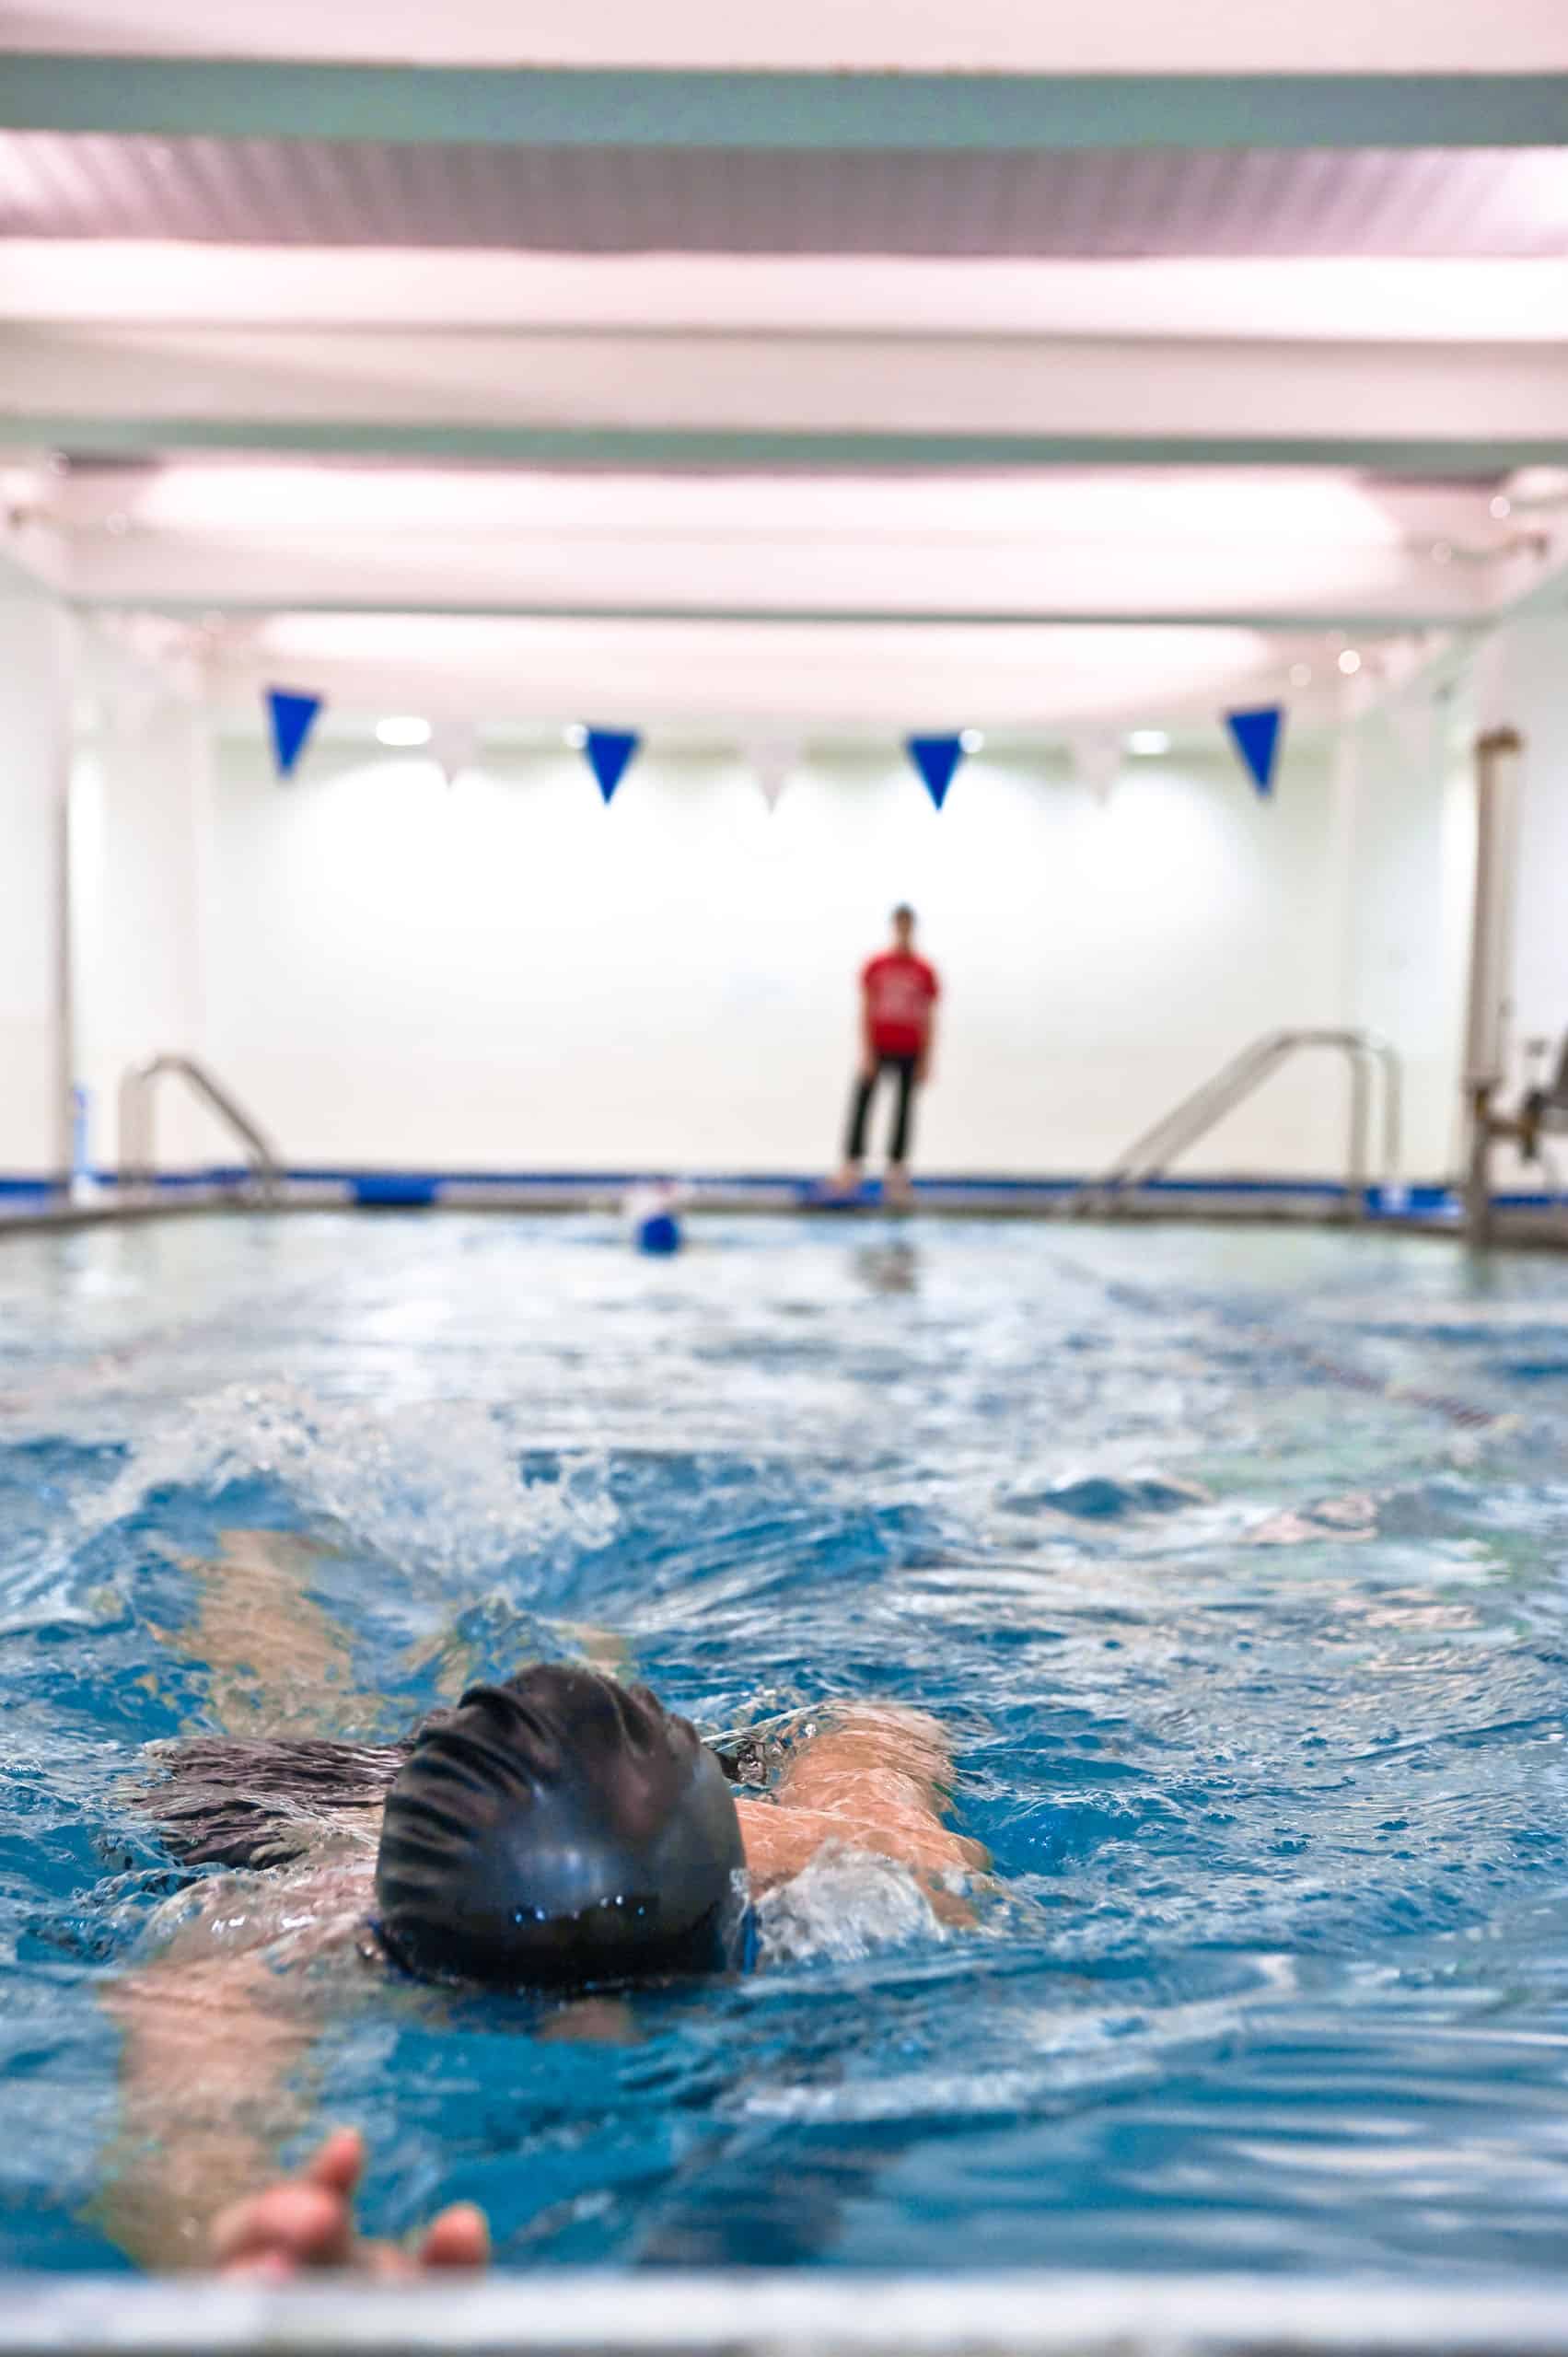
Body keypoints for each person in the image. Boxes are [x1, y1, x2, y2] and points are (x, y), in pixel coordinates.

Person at [106, 1658, 982, 2277]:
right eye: (507, 1998)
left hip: (622, 1807)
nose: (589, 2043)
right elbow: (189, 2123)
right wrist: (251, 2254)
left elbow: (875, 1725)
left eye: (650, 1984)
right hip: (306, 1799)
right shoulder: (273, 1928)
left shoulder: (835, 1853)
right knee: (268, 1661)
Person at [834, 905, 940, 1209]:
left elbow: (930, 1015)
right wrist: (865, 1051)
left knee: (904, 1109)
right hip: (879, 1045)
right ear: (894, 927)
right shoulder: (877, 965)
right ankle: (851, 1166)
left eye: (908, 926)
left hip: (910, 1046)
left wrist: (927, 1058)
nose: (903, 931)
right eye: (900, 925)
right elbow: (866, 1008)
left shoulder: (924, 970)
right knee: (863, 1102)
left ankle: (897, 1171)